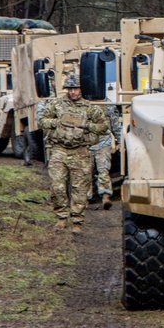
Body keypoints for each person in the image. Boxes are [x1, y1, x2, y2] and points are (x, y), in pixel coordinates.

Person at [39, 73, 110, 234]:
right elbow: (42, 121)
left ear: (81, 89)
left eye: (76, 88)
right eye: (70, 89)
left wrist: (85, 125)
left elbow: (103, 127)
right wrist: (57, 122)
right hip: (59, 149)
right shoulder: (56, 105)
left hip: (80, 151)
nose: (73, 92)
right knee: (57, 186)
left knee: (79, 189)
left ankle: (77, 221)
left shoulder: (90, 108)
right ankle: (61, 217)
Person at [89, 103, 122, 210]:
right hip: (84, 144)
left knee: (103, 169)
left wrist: (120, 141)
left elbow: (115, 125)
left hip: (103, 143)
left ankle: (105, 196)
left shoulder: (108, 105)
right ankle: (85, 198)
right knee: (85, 172)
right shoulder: (79, 105)